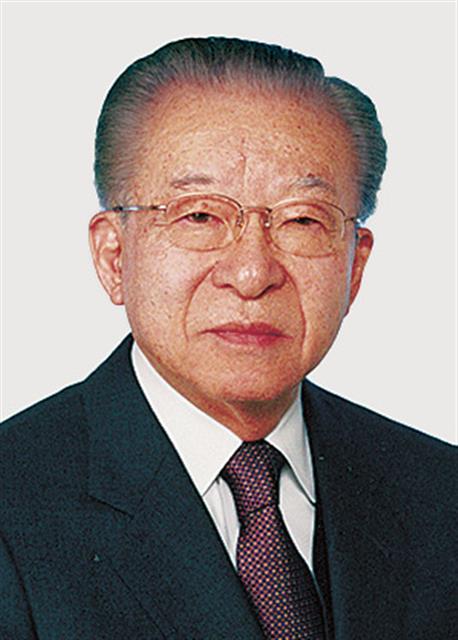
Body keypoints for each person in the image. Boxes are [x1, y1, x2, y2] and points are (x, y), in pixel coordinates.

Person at [0, 37, 455, 640]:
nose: (251, 273)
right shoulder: (14, 507)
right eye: (199, 216)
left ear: (355, 267)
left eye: (302, 220)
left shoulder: (440, 495)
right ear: (114, 256)